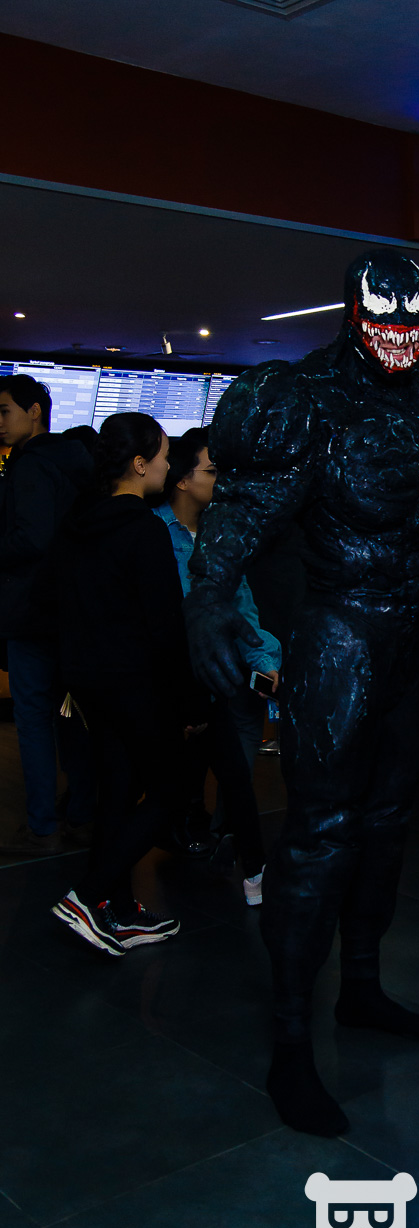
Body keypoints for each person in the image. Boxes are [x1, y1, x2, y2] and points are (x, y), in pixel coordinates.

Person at [185, 249, 419, 1137]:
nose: (400, 338)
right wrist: (209, 597)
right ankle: (290, 1040)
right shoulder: (302, 395)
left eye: (414, 322)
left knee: (388, 820)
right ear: (353, 315)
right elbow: (242, 510)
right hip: (344, 627)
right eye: (383, 322)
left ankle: (361, 985)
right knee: (320, 833)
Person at [51, 413, 199, 955]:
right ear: (139, 464)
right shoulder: (144, 530)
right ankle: (88, 897)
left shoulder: (77, 522)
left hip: (89, 683)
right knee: (172, 790)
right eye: (162, 456)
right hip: (137, 683)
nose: (167, 465)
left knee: (116, 790)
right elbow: (165, 629)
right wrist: (189, 704)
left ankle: (118, 910)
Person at [153, 427, 281, 904]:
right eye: (211, 470)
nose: (221, 479)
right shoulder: (152, 532)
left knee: (236, 774)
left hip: (222, 678)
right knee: (165, 785)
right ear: (182, 479)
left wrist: (263, 659)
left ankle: (245, 862)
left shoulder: (221, 534)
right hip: (174, 682)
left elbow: (242, 605)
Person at [0, 375, 96, 853]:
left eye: (5, 411)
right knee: (71, 717)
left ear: (34, 411)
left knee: (34, 718)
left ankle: (41, 826)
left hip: (31, 610)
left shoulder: (31, 464)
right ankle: (80, 814)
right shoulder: (79, 461)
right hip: (72, 612)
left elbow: (31, 538)